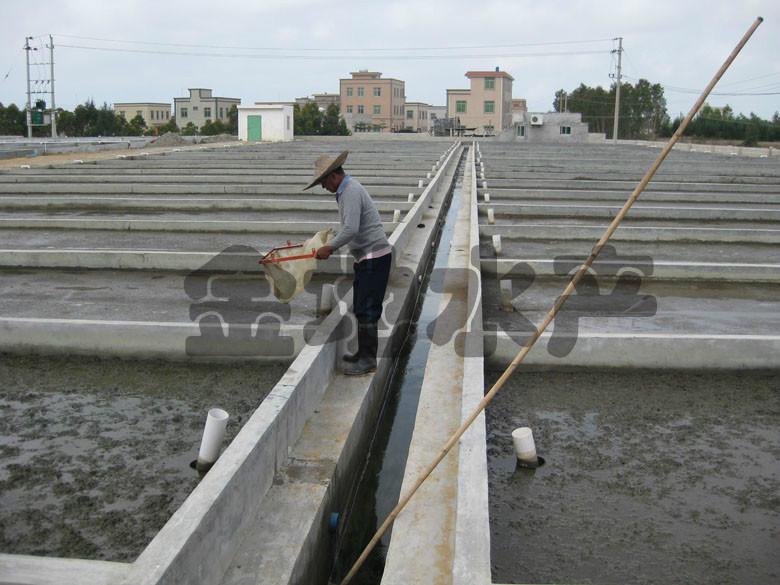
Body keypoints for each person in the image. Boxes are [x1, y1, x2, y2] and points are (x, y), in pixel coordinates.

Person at [304, 151, 392, 376]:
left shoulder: (350, 191)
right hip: (368, 257)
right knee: (362, 306)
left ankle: (368, 359)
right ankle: (363, 354)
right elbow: (349, 227)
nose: (323, 187)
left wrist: (330, 247)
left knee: (367, 308)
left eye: (323, 182)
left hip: (374, 257)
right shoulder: (347, 190)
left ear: (333, 176)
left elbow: (351, 229)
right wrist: (326, 241)